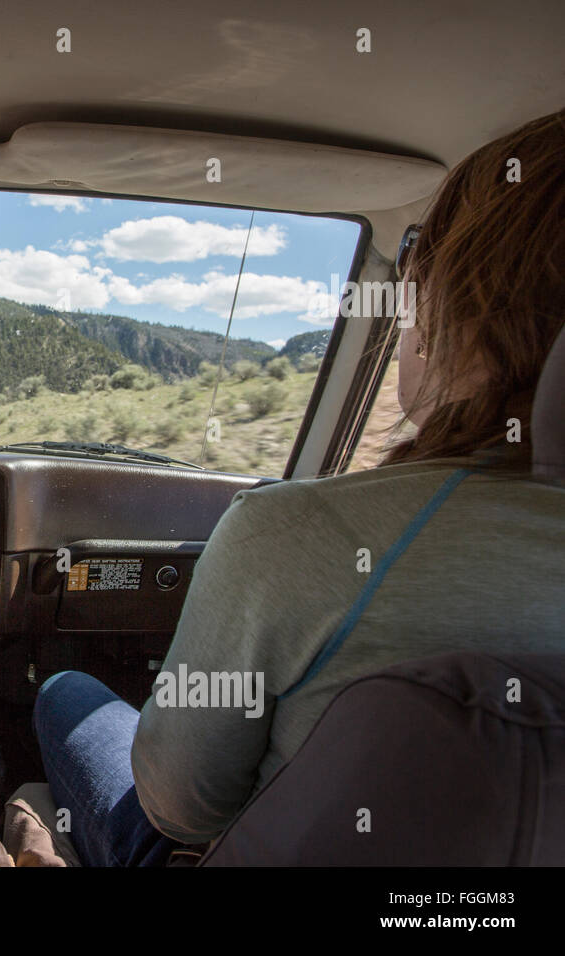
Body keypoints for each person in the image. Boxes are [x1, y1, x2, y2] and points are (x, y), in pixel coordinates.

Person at [32, 109, 565, 866]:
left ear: (459, 310)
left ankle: (26, 823)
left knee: (62, 692)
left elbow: (179, 807)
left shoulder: (298, 535)